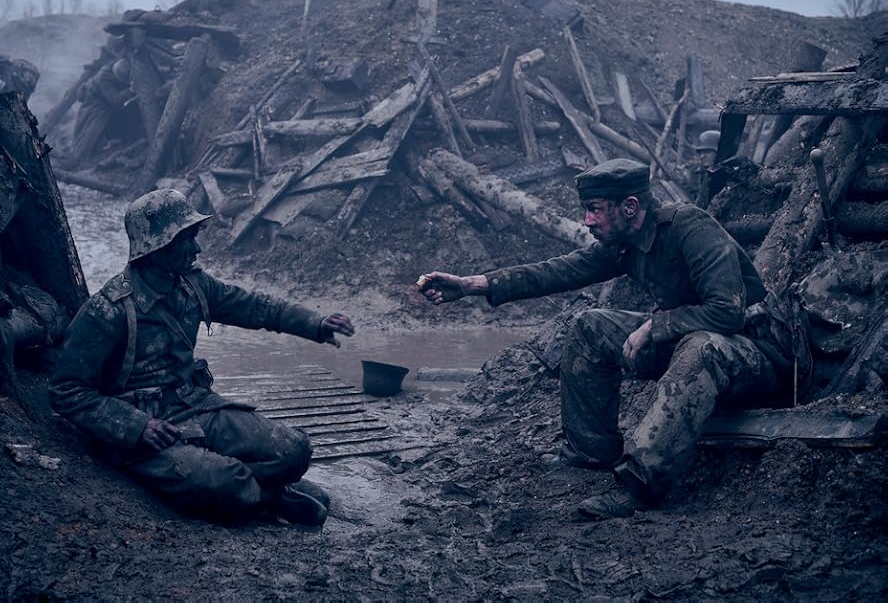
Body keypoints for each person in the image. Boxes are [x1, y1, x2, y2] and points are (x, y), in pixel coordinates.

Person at [418, 158, 803, 520]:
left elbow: (728, 312)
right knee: (591, 326)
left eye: (595, 209)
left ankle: (640, 486)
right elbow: (562, 270)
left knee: (701, 346)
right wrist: (473, 285)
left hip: (754, 357)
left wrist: (655, 325)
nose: (587, 220)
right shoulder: (624, 242)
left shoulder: (690, 227)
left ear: (630, 206)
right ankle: (591, 450)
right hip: (691, 343)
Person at [50, 189, 355, 526]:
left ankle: (252, 488)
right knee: (223, 483)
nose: (197, 248)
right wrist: (138, 427)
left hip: (196, 408)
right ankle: (266, 494)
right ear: (158, 245)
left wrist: (315, 323)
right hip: (144, 433)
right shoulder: (107, 310)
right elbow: (67, 392)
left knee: (294, 450)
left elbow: (254, 307)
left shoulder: (193, 286)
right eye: (187, 238)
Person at [68, 57, 137, 170]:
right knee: (89, 133)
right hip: (95, 106)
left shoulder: (120, 64)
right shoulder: (104, 78)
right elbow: (115, 100)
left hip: (104, 104)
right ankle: (78, 161)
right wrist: (130, 91)